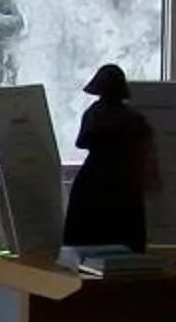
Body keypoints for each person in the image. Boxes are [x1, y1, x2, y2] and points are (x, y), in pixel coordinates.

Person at [62, 64, 158, 250]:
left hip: (95, 177)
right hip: (123, 179)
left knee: (87, 237)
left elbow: (81, 142)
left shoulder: (94, 113)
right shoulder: (133, 118)